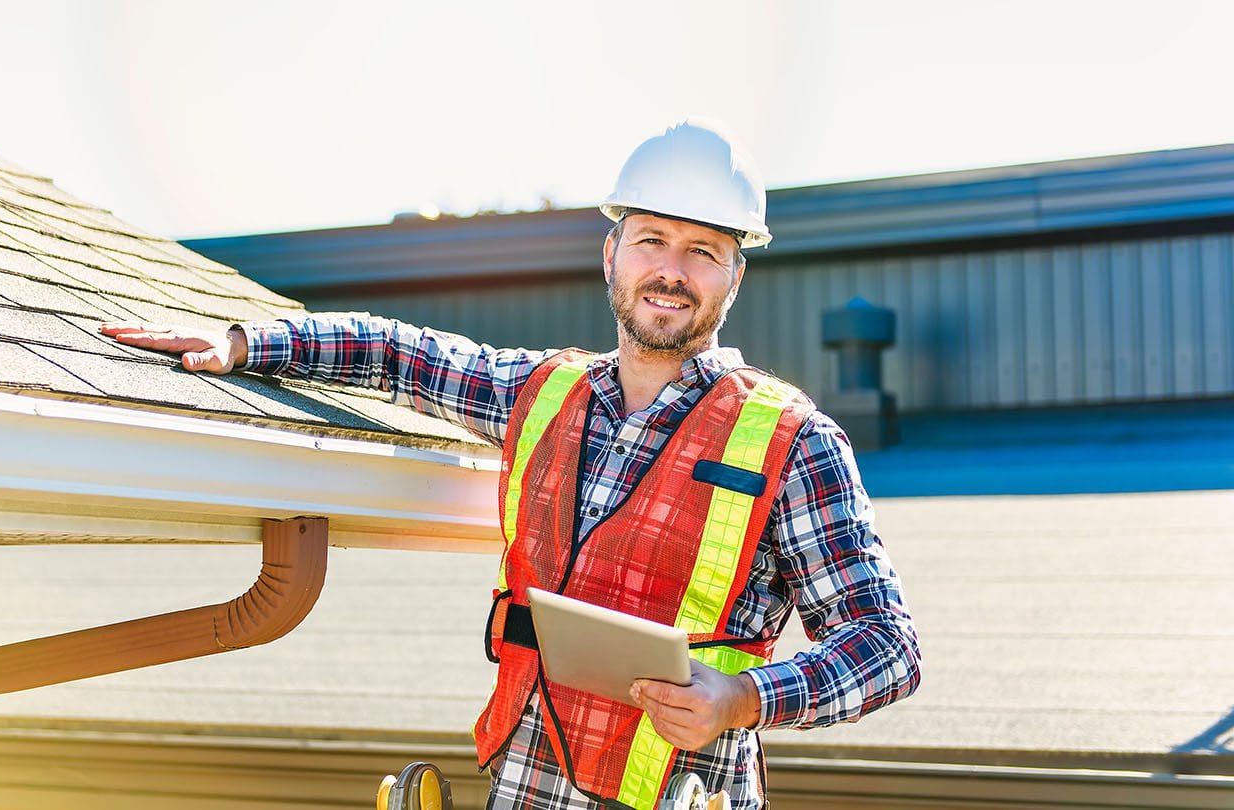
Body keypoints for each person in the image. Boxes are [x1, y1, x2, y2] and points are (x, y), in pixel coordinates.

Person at [101, 120, 920, 810]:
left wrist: (741, 698)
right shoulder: (544, 393)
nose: (671, 269)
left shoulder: (792, 441)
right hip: (524, 782)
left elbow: (887, 647)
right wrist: (250, 344)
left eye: (703, 250)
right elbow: (397, 355)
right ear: (612, 255)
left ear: (734, 276)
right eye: (651, 241)